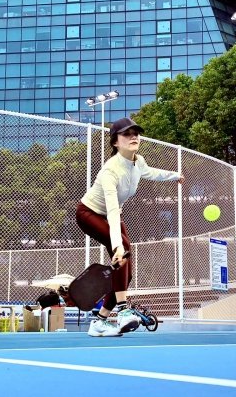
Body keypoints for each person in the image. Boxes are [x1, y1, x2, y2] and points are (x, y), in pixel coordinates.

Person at [77, 117, 184, 337]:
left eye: (136, 133)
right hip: (89, 214)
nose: (133, 136)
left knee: (126, 274)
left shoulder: (139, 161)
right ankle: (124, 311)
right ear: (115, 142)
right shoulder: (110, 171)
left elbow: (151, 173)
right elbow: (114, 211)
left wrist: (175, 176)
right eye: (127, 134)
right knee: (123, 247)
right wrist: (116, 245)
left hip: (109, 216)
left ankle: (100, 321)